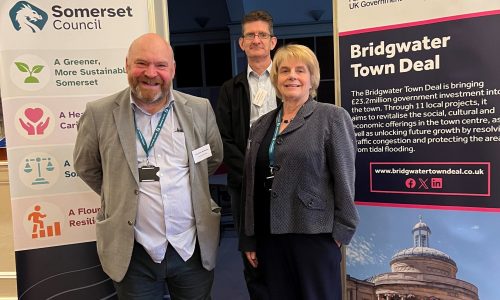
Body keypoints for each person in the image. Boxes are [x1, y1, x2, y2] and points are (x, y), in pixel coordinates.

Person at [73, 33, 223, 300]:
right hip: (133, 252)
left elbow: (211, 158)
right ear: (127, 65)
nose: (151, 73)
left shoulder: (200, 110)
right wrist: (121, 191)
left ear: (173, 69)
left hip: (191, 247)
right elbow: (87, 167)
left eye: (161, 65)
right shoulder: (99, 113)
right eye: (141, 64)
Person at [239, 44, 360, 300]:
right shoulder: (261, 125)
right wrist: (249, 237)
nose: (292, 76)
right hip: (268, 236)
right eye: (284, 70)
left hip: (313, 237)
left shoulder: (332, 117)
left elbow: (345, 180)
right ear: (276, 78)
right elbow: (250, 186)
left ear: (311, 78)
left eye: (300, 70)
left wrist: (340, 234)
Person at [215, 10, 278, 299]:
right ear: (241, 43)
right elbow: (223, 140)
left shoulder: (289, 80)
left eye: (262, 35)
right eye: (250, 35)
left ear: (272, 42)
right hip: (244, 186)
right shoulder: (230, 89)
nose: (256, 40)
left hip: (288, 182)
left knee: (286, 257)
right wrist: (252, 173)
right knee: (253, 261)